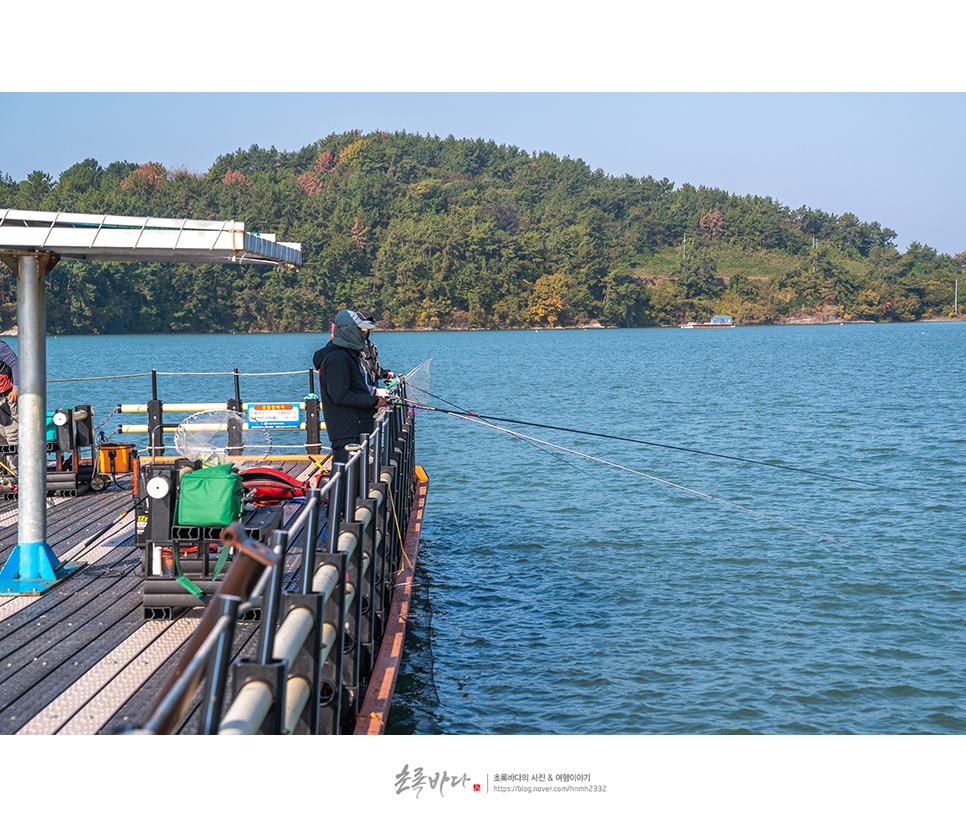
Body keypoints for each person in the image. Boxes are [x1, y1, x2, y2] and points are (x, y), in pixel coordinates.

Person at [313, 310, 389, 465]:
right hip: (347, 433)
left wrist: (376, 400)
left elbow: (356, 389)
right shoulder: (337, 358)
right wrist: (374, 402)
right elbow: (340, 395)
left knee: (358, 479)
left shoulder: (349, 355)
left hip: (357, 431)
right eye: (360, 330)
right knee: (347, 480)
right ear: (349, 330)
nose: (364, 334)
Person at [358, 312, 395, 391]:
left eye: (368, 327)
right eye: (364, 326)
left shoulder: (369, 345)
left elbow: (373, 367)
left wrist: (386, 374)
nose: (367, 330)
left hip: (372, 388)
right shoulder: (353, 347)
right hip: (363, 391)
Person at [0, 339, 19, 472]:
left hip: (8, 397)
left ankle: (18, 476)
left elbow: (16, 364)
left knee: (13, 436)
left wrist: (16, 388)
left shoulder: (0, 346)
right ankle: (4, 479)